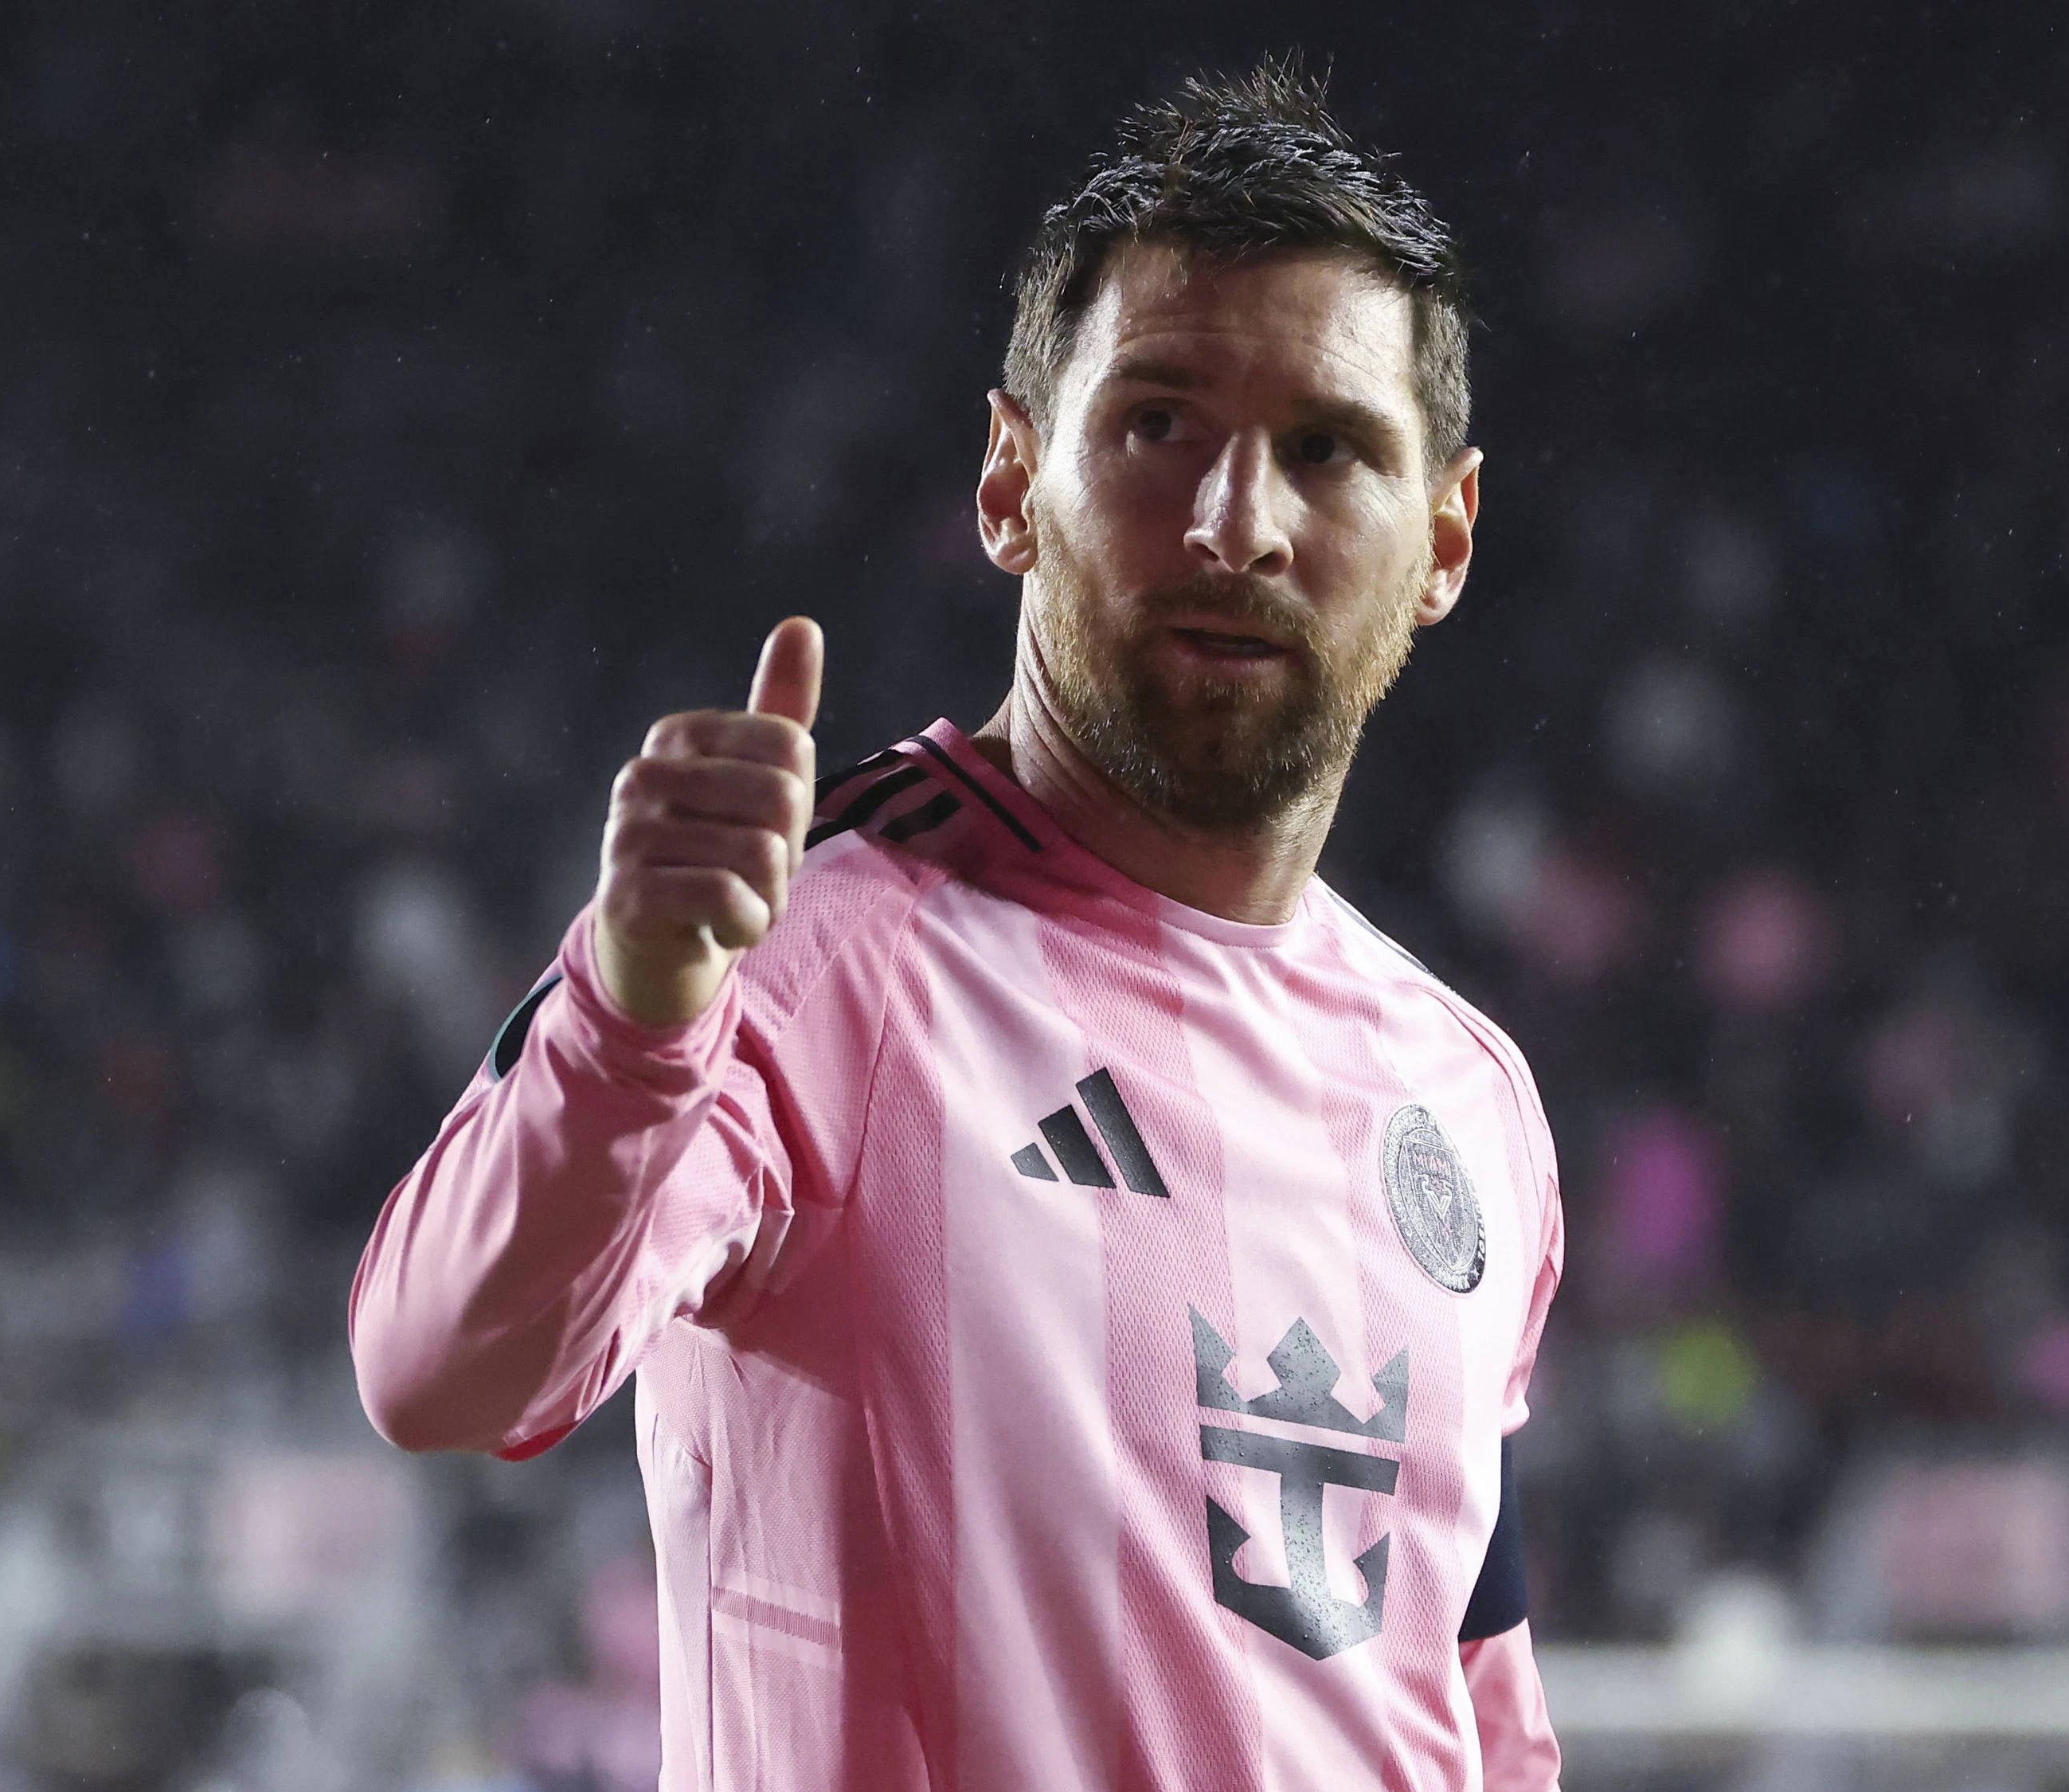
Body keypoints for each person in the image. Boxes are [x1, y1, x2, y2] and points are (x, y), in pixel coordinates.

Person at [352, 57, 1564, 1790]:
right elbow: (437, 1376)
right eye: (1155, 424)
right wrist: (629, 1010)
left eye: (1325, 450)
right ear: (1009, 484)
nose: (1237, 524)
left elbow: (1474, 1705)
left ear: (1439, 538)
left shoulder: (1466, 1099)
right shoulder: (800, 955)